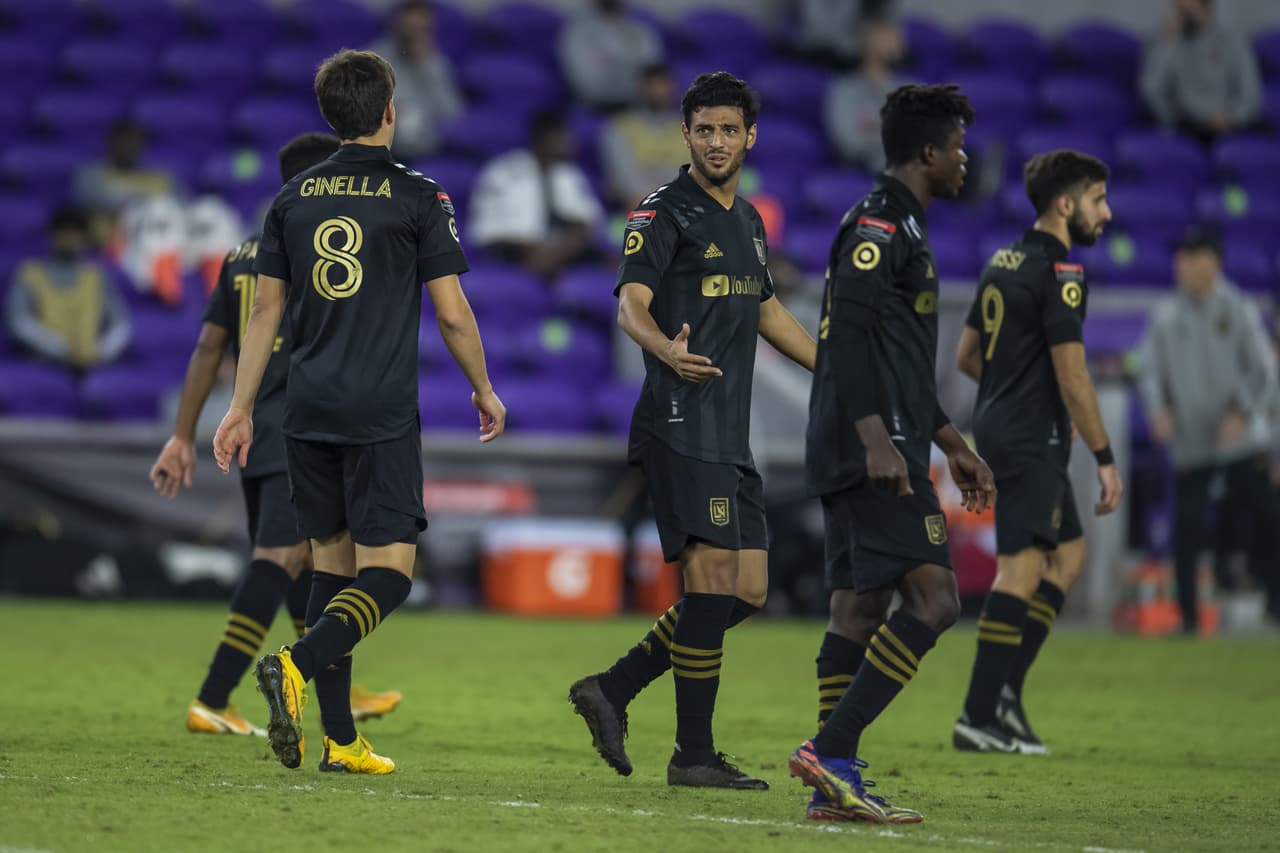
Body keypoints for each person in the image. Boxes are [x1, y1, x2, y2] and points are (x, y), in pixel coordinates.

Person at [212, 49, 506, 774]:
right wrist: (483, 386)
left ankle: (342, 740)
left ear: (330, 114)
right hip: (378, 410)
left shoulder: (290, 199)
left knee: (331, 573)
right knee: (392, 574)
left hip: (302, 410)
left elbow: (265, 315)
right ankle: (294, 663)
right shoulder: (418, 195)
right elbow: (453, 313)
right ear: (389, 110)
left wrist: (240, 405)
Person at [567, 72, 817, 790]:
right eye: (703, 129)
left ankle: (614, 686)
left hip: (729, 432)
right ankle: (693, 755)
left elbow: (768, 314)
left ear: (750, 137)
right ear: (686, 135)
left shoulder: (748, 221)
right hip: (681, 422)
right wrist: (664, 348)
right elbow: (630, 306)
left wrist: (832, 369)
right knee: (710, 586)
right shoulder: (661, 211)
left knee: (748, 591)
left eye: (728, 130)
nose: (716, 141)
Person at [150, 133, 403, 737]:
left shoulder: (243, 251)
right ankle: (215, 696)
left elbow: (211, 344)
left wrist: (183, 434)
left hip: (251, 418)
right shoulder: (317, 241)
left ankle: (327, 676)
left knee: (306, 561)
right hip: (297, 421)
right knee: (282, 557)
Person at [788, 84, 994, 825]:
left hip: (874, 437)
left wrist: (951, 442)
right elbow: (844, 336)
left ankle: (828, 787)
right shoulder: (881, 222)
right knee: (935, 601)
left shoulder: (904, 221)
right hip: (870, 445)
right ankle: (831, 751)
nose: (965, 160)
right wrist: (879, 439)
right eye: (959, 148)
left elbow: (897, 361)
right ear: (930, 153)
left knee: (859, 605)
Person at [951, 150, 1124, 756]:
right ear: (1065, 203)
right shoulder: (1061, 275)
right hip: (1031, 433)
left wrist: (1013, 392)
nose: (1106, 212)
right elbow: (1073, 378)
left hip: (1005, 422)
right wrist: (1104, 454)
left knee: (1067, 555)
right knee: (1021, 565)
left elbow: (967, 357)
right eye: (1098, 199)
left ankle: (1002, 694)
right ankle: (978, 714)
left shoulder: (1001, 260)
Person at [1134, 227, 1277, 633]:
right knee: (1187, 530)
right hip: (1192, 443)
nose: (1181, 264)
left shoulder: (1238, 309)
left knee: (1269, 516)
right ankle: (1190, 619)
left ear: (1211, 263)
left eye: (1190, 256)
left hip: (1240, 441)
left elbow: (1264, 370)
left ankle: (1275, 601)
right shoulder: (1165, 315)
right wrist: (1157, 410)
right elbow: (1147, 372)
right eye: (1180, 256)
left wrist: (1241, 410)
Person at [469, 110, 604, 280]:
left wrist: (559, 249)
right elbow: (484, 232)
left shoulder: (570, 174)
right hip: (513, 255)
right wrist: (531, 248)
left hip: (563, 254)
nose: (570, 143)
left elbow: (589, 221)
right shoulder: (502, 172)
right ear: (543, 139)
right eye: (562, 137)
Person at [4, 206, 131, 372]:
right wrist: (61, 349)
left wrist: (101, 351)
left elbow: (121, 325)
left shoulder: (95, 277)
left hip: (93, 362)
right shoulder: (29, 274)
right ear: (52, 237)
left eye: (76, 234)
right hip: (43, 363)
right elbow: (19, 323)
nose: (70, 239)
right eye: (64, 233)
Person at [1139, 0, 1262, 145]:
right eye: (1180, 12)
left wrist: (1232, 116)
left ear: (1208, 11)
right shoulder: (1166, 43)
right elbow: (1151, 91)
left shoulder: (1232, 41)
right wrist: (1168, 43)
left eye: (1189, 13)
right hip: (1189, 126)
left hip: (1231, 124)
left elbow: (1250, 92)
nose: (1184, 18)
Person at [370, 0, 464, 161]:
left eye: (421, 14)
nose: (415, 21)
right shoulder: (372, 61)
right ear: (396, 18)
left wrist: (426, 67)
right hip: (386, 154)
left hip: (432, 153)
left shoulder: (436, 64)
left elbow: (454, 115)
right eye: (409, 13)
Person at [73, 118, 178, 251]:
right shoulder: (90, 176)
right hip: (106, 248)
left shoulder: (160, 178)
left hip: (153, 249)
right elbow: (89, 200)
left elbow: (179, 206)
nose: (127, 146)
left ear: (142, 145)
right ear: (111, 142)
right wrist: (145, 201)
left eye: (133, 140)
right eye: (122, 140)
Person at [600, 62, 688, 211]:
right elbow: (624, 179)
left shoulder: (686, 128)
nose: (657, 91)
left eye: (662, 84)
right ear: (641, 88)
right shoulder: (619, 128)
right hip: (640, 209)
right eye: (651, 85)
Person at [825, 17, 905, 172]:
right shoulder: (845, 90)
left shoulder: (910, 87)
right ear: (870, 45)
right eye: (888, 37)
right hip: (863, 168)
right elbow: (848, 142)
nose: (899, 42)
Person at [557, 0, 663, 111]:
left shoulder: (642, 32)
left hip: (639, 111)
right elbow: (587, 85)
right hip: (596, 110)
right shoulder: (576, 34)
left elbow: (655, 76)